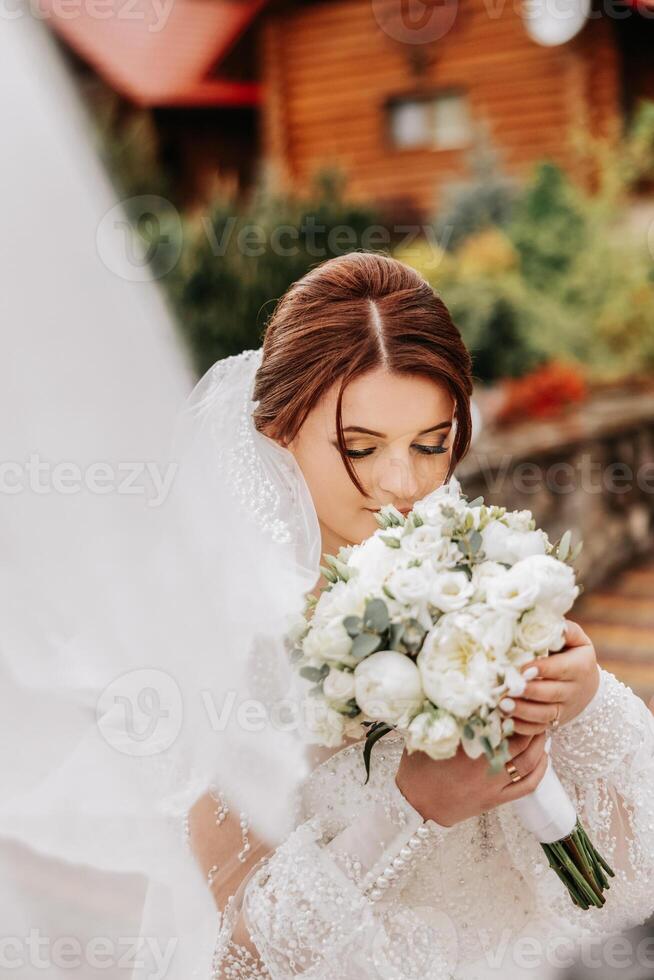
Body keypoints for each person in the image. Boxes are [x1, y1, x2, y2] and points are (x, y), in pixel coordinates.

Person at [183, 252, 654, 980]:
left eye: (432, 445)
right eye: (360, 448)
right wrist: (411, 806)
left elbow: (627, 870)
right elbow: (241, 958)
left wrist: (579, 702)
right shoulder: (226, 645)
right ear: (277, 432)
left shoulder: (469, 565)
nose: (403, 486)